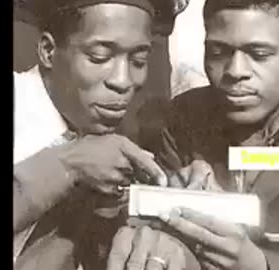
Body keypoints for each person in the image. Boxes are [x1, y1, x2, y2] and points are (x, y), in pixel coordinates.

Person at [148, 0, 279, 269]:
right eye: (218, 52)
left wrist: (261, 264)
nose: (235, 71)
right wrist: (177, 195)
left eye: (259, 54)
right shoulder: (182, 119)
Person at [13, 0, 192, 269]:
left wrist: (171, 203)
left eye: (138, 60)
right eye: (99, 57)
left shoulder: (112, 141)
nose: (123, 80)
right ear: (48, 51)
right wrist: (67, 165)